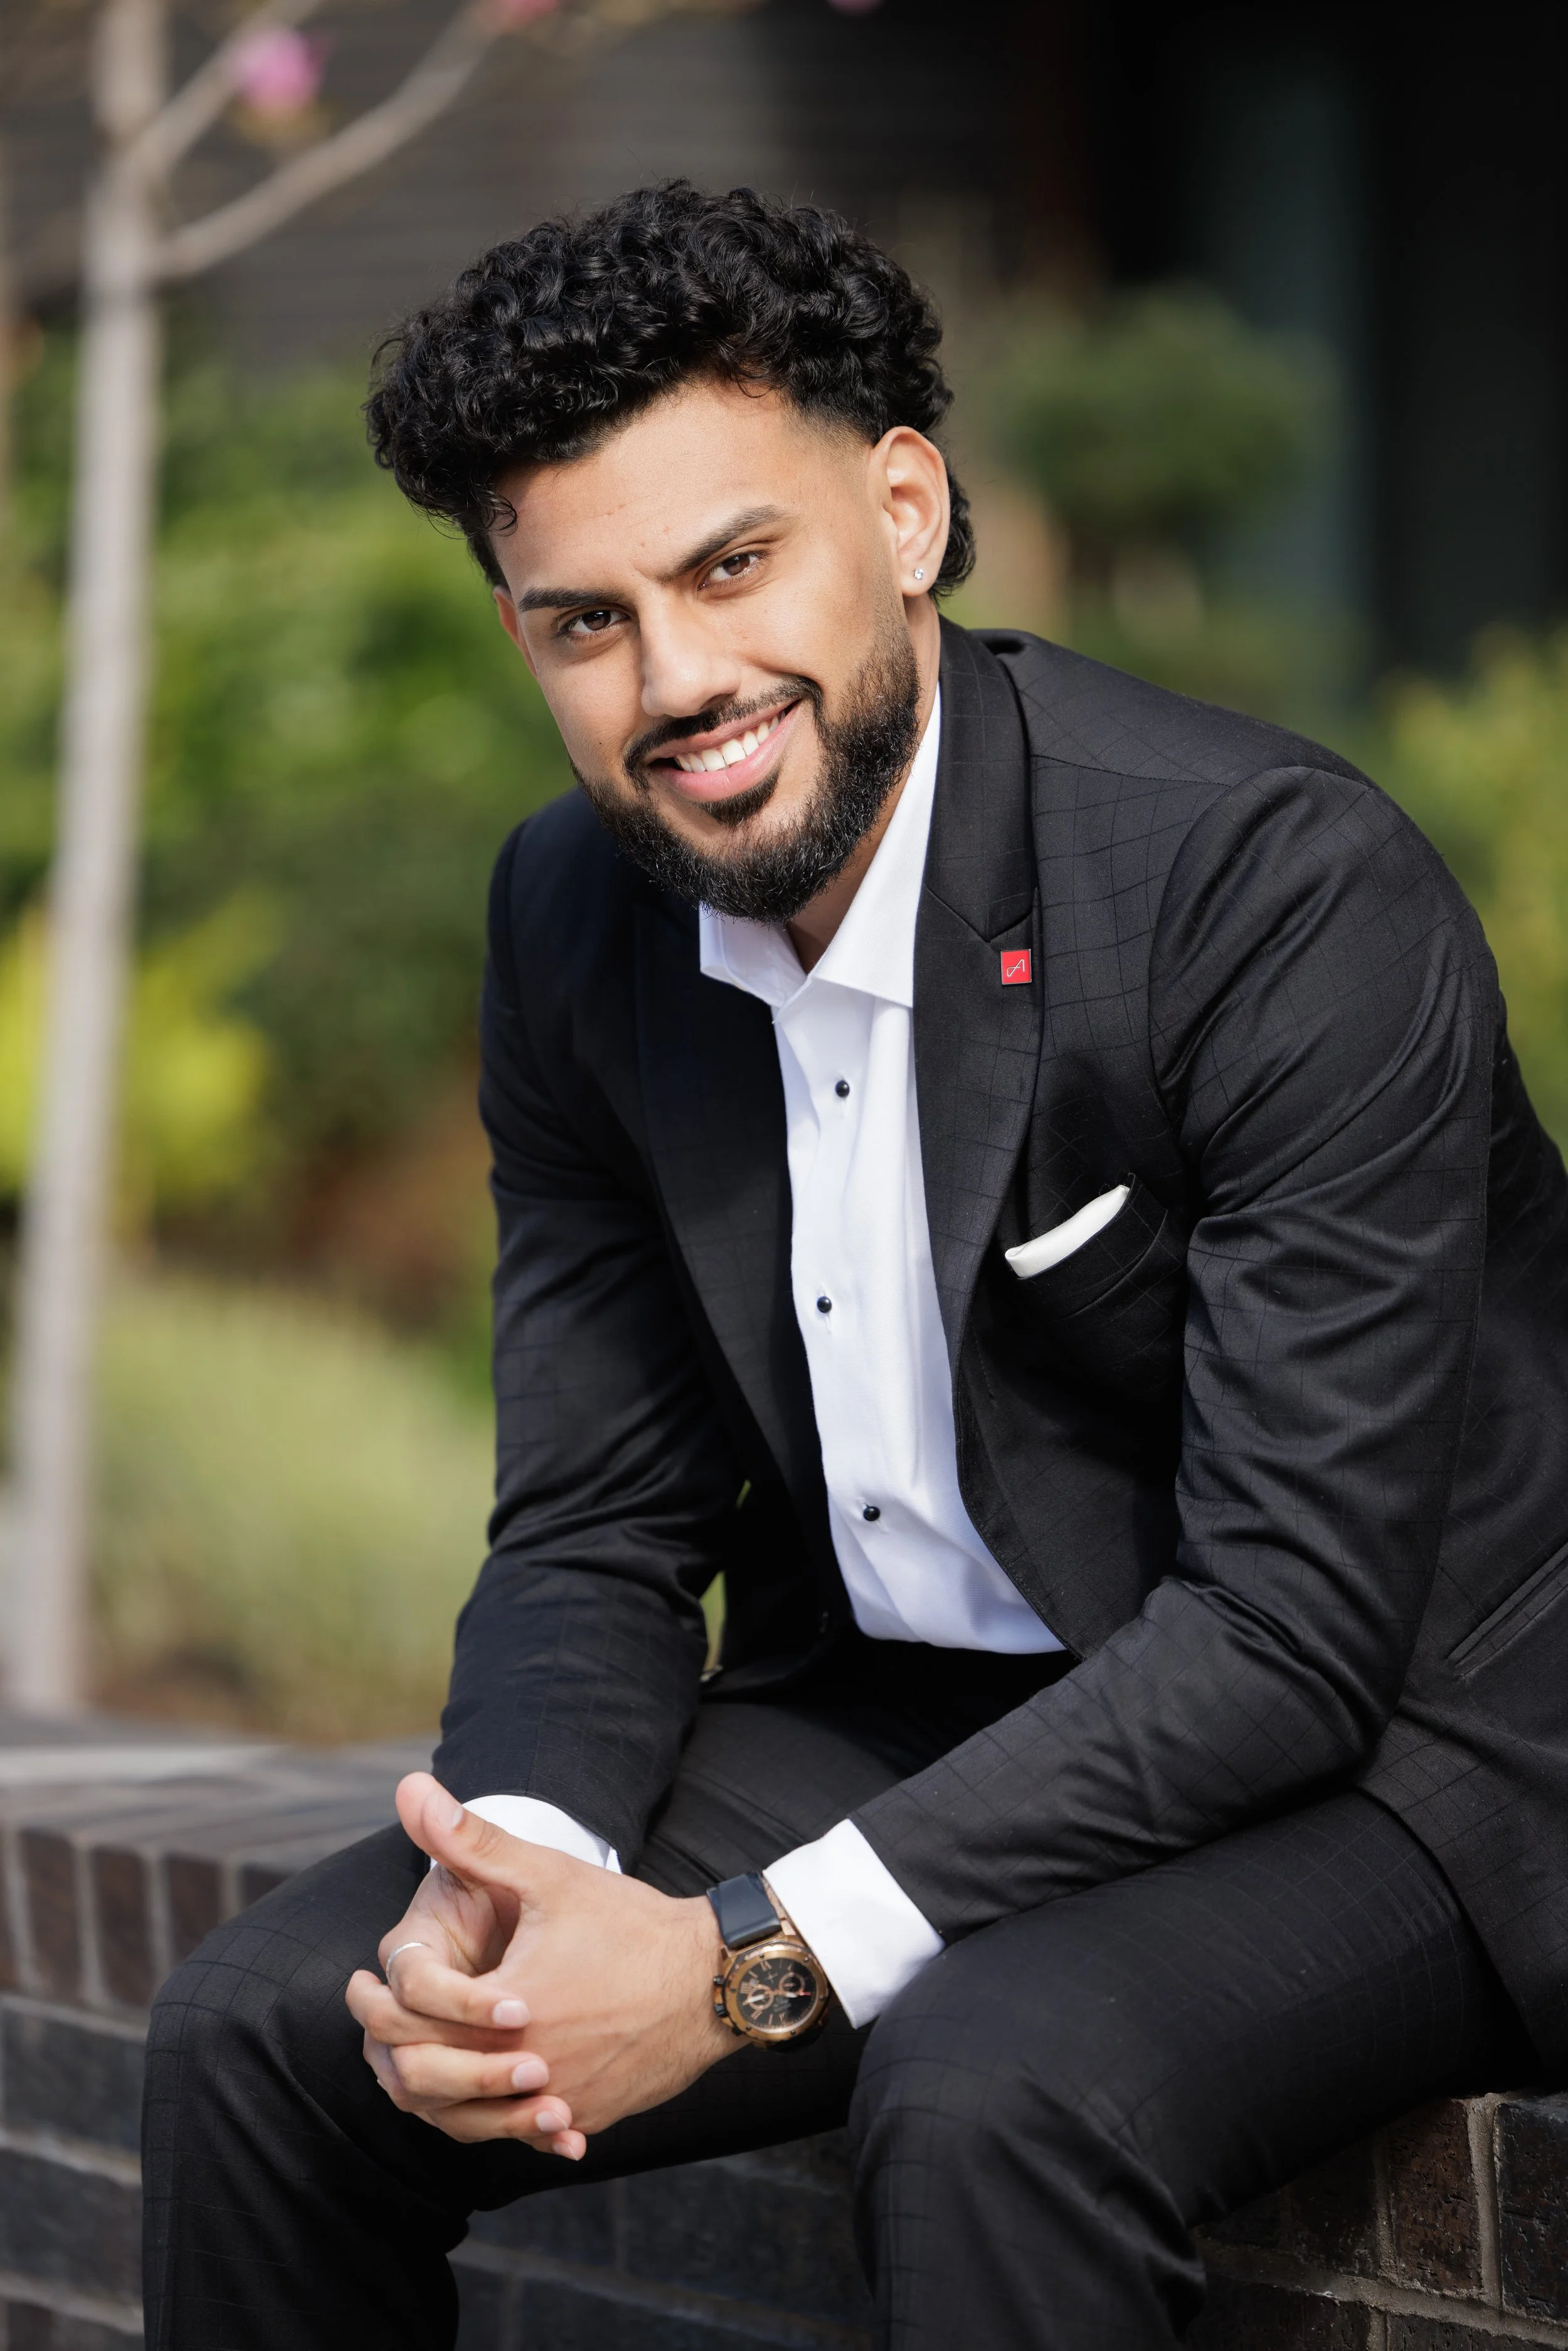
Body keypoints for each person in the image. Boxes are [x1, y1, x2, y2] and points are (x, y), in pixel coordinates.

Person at [142, 181, 1568, 2351]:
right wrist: (518, 1874)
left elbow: (1289, 1623)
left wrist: (729, 1966)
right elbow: (601, 1519)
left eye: (731, 564)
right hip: (912, 1700)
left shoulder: (1264, 888)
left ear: (902, 509)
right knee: (269, 2032)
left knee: (989, 2086)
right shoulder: (575, 918)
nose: (681, 681)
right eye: (582, 619)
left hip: (1386, 1733)